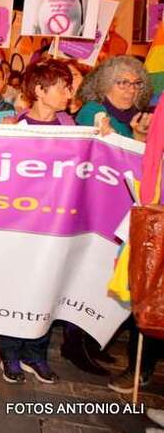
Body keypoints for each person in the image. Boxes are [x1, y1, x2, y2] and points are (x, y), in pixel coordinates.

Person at [74, 56, 157, 394]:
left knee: (109, 278)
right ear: (105, 84)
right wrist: (103, 128)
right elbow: (91, 130)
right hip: (94, 210)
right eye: (121, 82)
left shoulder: (142, 120)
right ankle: (76, 341)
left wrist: (138, 134)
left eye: (135, 83)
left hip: (127, 212)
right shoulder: (94, 110)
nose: (129, 89)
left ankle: (94, 340)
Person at [0, 60, 76, 385]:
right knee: (15, 290)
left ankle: (36, 353)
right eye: (63, 86)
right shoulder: (15, 129)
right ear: (41, 91)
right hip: (21, 229)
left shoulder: (74, 130)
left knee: (47, 290)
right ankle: (10, 352)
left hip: (56, 231)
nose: (69, 92)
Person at [76, 55, 152, 142]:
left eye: (137, 83)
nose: (132, 90)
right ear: (105, 85)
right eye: (123, 83)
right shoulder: (93, 112)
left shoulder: (138, 117)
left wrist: (140, 136)